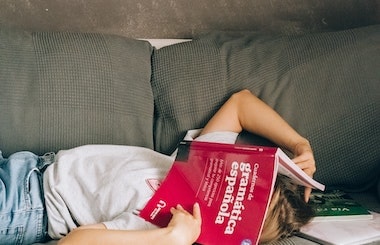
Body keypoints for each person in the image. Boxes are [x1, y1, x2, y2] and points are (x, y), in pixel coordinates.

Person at [0, 89, 316, 245]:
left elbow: (75, 243)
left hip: (25, 209)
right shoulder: (201, 165)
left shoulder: (163, 227)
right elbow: (241, 103)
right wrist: (299, 144)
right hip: (30, 166)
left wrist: (170, 237)